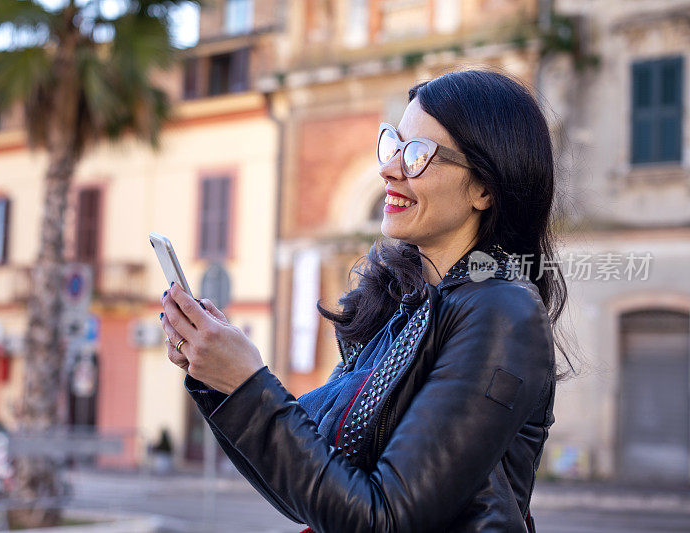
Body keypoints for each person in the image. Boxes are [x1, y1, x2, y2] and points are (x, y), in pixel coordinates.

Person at [159, 69, 571, 532]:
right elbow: (312, 492)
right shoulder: (402, 314)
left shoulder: (501, 312)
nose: (389, 168)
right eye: (394, 144)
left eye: (418, 154)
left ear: (484, 189)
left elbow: (383, 518)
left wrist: (247, 383)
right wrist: (219, 379)